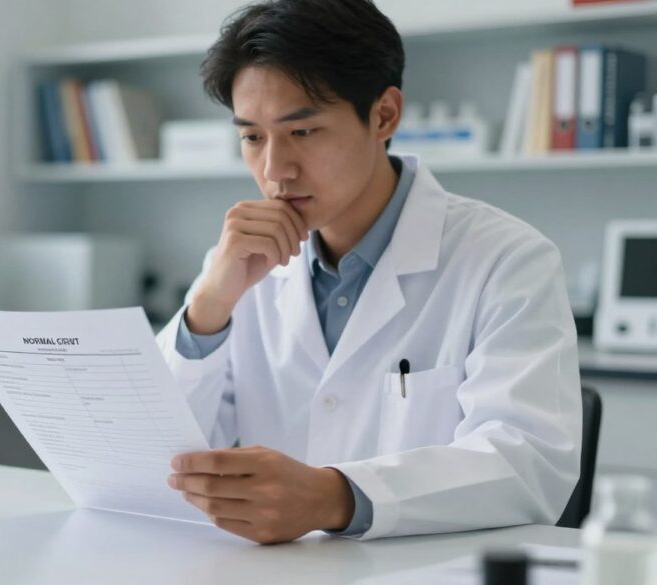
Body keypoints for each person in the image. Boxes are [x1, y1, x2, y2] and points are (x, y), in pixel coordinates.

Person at [158, 0, 582, 544]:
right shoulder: (237, 270)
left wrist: (334, 496)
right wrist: (207, 311)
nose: (274, 170)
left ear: (384, 116)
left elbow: (527, 465)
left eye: (303, 132)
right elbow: (159, 459)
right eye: (252, 137)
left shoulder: (508, 260)